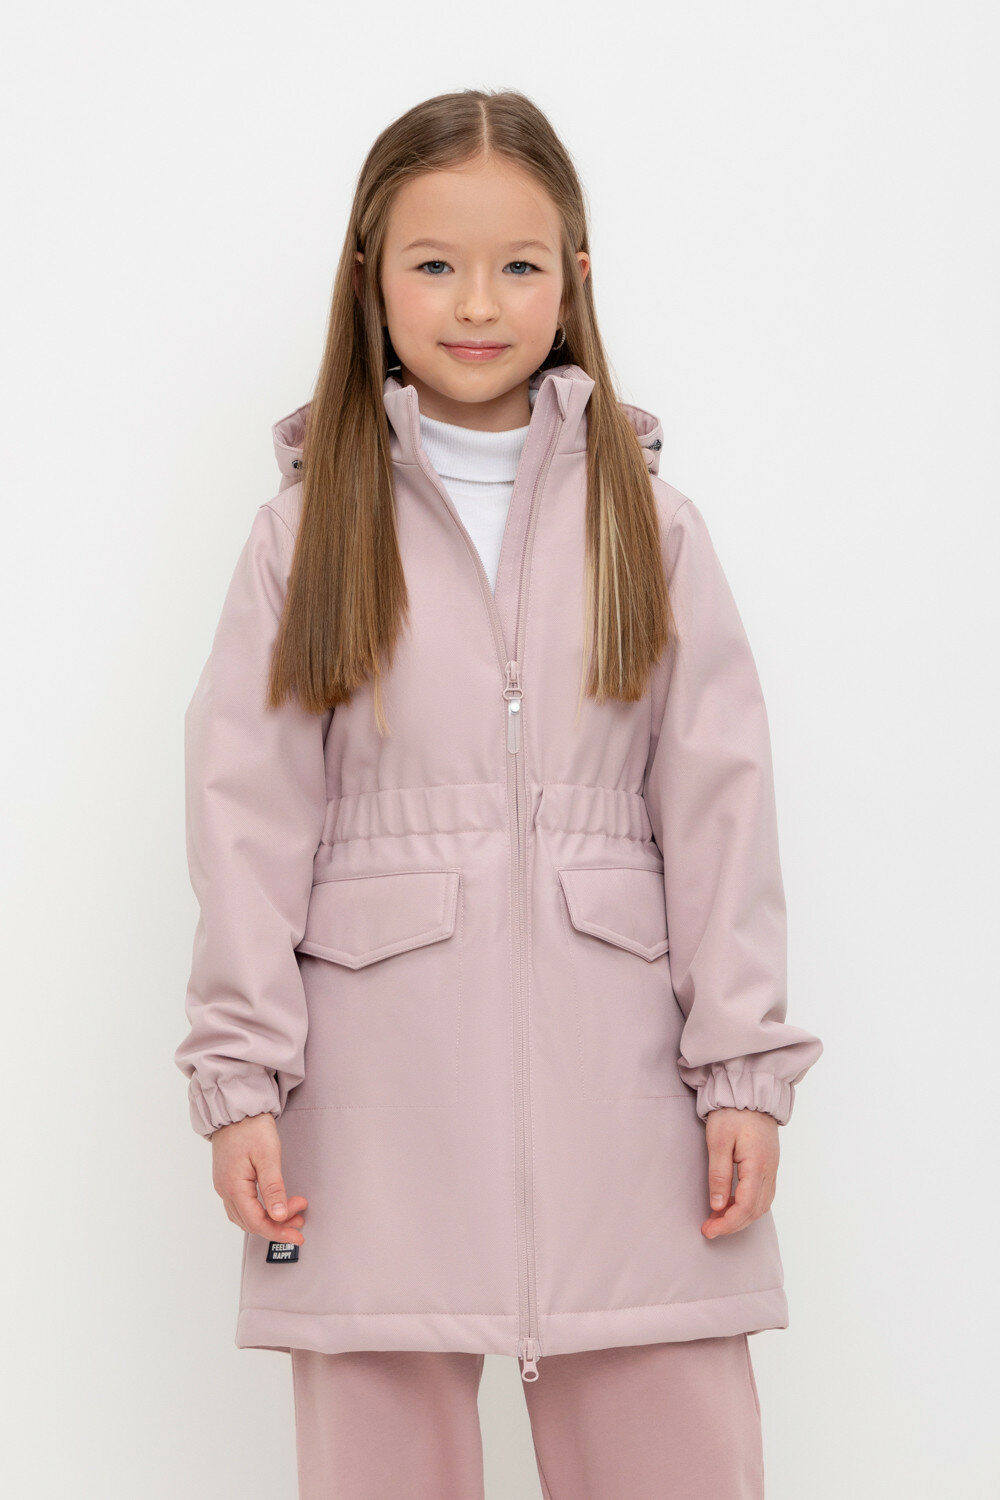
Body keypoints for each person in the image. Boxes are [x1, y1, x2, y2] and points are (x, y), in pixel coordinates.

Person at [174, 87, 824, 1499]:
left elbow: (720, 809)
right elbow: (246, 819)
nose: (478, 303)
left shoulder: (649, 527)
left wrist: (743, 1071)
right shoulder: (304, 535)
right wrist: (241, 1082)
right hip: (373, 1097)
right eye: (435, 263)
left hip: (625, 1096)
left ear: (574, 279)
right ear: (369, 277)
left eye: (519, 264)